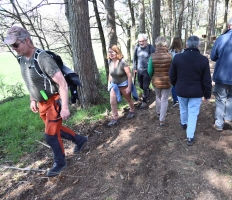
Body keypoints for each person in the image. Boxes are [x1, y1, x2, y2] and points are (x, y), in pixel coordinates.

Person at [3, 26, 88, 177]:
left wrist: (65, 107)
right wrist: (32, 98)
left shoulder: (43, 59)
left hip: (53, 101)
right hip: (41, 103)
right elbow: (30, 81)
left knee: (50, 135)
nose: (14, 48)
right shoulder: (22, 59)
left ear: (27, 41)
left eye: (16, 44)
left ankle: (60, 163)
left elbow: (62, 83)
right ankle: (80, 140)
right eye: (11, 45)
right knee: (57, 129)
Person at [169, 36, 212, 146]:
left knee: (183, 108)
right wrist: (207, 94)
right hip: (196, 92)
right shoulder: (203, 60)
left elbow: (171, 75)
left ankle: (184, 123)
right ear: (198, 45)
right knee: (193, 113)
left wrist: (176, 85)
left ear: (186, 45)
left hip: (181, 90)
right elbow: (207, 80)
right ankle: (190, 136)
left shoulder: (178, 58)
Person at [107, 45, 138, 126]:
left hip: (124, 84)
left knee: (128, 99)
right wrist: (108, 83)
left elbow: (129, 75)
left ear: (117, 52)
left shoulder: (122, 62)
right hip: (114, 85)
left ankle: (132, 110)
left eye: (112, 52)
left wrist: (129, 87)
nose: (110, 54)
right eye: (109, 52)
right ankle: (115, 118)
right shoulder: (109, 62)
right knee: (112, 102)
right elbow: (110, 74)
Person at [148, 36, 172, 126]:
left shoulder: (152, 56)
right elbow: (173, 69)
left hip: (156, 81)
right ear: (166, 45)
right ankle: (162, 120)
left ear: (156, 45)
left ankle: (158, 112)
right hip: (167, 81)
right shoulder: (170, 56)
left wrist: (153, 77)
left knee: (158, 97)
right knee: (164, 99)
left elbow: (150, 70)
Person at [133, 33, 155, 109]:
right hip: (139, 70)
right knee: (140, 85)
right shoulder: (137, 47)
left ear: (146, 40)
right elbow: (134, 58)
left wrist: (153, 70)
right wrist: (134, 68)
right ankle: (147, 91)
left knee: (145, 86)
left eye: (143, 41)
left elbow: (154, 59)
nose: (141, 43)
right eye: (140, 41)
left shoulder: (150, 48)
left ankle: (145, 101)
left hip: (147, 70)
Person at [169, 37, 184, 107]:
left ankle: (176, 100)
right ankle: (180, 98)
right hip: (181, 70)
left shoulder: (170, 51)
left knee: (174, 85)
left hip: (172, 69)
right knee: (181, 84)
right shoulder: (183, 51)